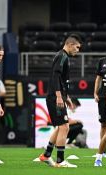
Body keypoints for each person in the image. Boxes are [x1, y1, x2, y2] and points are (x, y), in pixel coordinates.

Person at [38, 34, 82, 168]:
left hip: (59, 96)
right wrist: (58, 96)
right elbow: (55, 77)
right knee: (65, 126)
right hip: (54, 97)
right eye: (77, 47)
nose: (78, 50)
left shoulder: (63, 56)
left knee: (61, 126)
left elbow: (62, 80)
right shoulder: (62, 56)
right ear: (70, 44)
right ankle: (60, 161)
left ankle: (46, 155)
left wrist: (66, 97)